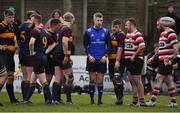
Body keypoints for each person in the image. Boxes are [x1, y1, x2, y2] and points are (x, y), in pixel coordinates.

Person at [24, 13, 57, 105]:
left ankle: (50, 100)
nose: (30, 21)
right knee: (32, 80)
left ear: (35, 20)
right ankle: (26, 100)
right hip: (42, 57)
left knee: (43, 81)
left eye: (31, 19)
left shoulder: (35, 31)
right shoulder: (43, 31)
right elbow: (53, 43)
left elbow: (31, 43)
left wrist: (31, 53)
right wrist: (45, 51)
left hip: (37, 58)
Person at [146, 17, 179, 108]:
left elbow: (175, 48)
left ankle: (153, 101)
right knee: (168, 80)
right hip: (162, 60)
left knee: (158, 78)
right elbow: (160, 49)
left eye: (158, 24)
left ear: (163, 23)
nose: (157, 26)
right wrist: (153, 58)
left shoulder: (171, 32)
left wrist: (173, 61)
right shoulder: (162, 34)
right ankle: (173, 102)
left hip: (166, 61)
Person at [84, 12, 111, 105]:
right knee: (92, 79)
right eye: (98, 20)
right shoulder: (88, 32)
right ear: (94, 20)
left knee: (100, 79)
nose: (99, 22)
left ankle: (99, 101)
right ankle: (92, 100)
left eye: (101, 20)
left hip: (102, 58)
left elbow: (109, 45)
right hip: (91, 58)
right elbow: (85, 45)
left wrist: (105, 55)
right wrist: (89, 55)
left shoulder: (106, 32)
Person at [52, 12, 75, 105]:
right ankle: (68, 100)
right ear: (72, 20)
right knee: (70, 78)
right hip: (62, 56)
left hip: (56, 55)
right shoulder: (67, 29)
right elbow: (65, 42)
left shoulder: (60, 28)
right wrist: (66, 55)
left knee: (58, 78)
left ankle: (55, 99)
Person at [124, 18, 146, 106]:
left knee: (137, 81)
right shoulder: (128, 34)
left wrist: (134, 55)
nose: (125, 26)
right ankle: (135, 100)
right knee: (132, 81)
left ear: (132, 24)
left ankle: (142, 101)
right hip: (128, 61)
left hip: (136, 60)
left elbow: (142, 46)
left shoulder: (138, 34)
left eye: (127, 24)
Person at [0, 9, 19, 104]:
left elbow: (14, 37)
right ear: (5, 17)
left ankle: (12, 99)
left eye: (13, 17)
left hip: (11, 56)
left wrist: (15, 43)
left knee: (11, 77)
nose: (12, 19)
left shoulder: (12, 26)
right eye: (10, 17)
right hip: (3, 56)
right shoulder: (1, 26)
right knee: (4, 76)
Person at [17, 10, 36, 101]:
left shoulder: (21, 26)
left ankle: (24, 98)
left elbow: (17, 40)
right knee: (28, 77)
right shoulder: (32, 26)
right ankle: (26, 99)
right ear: (32, 17)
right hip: (29, 53)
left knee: (24, 76)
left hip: (21, 52)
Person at [108, 19, 125, 105]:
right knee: (113, 78)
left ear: (120, 27)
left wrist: (117, 61)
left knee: (118, 78)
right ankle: (118, 96)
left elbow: (120, 48)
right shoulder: (112, 35)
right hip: (110, 60)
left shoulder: (121, 35)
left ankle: (120, 97)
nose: (114, 28)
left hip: (118, 61)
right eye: (113, 27)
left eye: (116, 27)